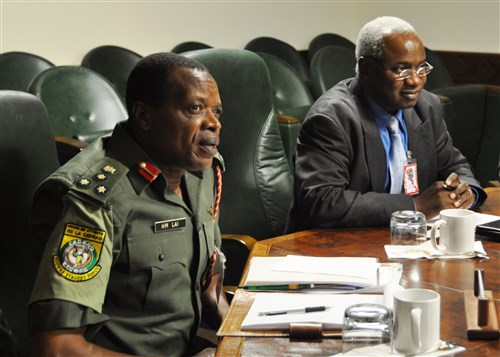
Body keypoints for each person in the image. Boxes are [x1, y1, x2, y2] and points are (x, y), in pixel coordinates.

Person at [28, 52, 229, 356]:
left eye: (216, 111)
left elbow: (209, 283)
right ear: (144, 116)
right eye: (195, 108)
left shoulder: (202, 172)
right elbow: (57, 346)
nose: (213, 123)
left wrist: (240, 334)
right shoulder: (94, 200)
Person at [286, 16, 487, 232]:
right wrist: (415, 206)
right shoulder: (331, 118)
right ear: (366, 69)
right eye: (401, 70)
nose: (415, 81)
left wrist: (466, 193)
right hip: (334, 245)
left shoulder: (427, 106)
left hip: (407, 240)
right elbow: (322, 201)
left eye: (421, 68)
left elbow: (455, 166)